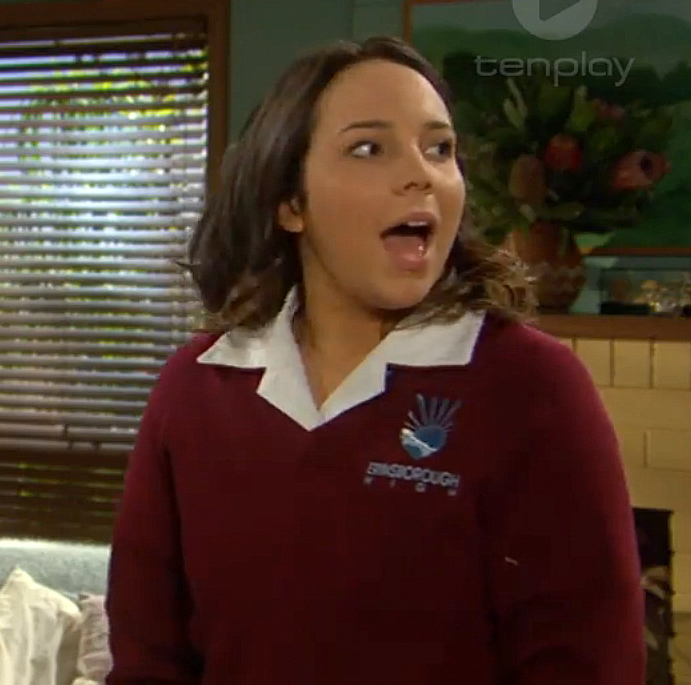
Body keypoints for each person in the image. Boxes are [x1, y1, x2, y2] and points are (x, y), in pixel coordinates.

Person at [105, 36, 644, 684]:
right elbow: (147, 655)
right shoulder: (197, 389)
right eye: (368, 148)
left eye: (439, 149)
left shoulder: (533, 387)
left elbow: (588, 664)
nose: (421, 174)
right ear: (291, 203)